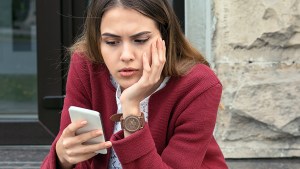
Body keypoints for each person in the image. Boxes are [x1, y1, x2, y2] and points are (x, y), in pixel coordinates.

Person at [41, 0, 228, 168]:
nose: (126, 56)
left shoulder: (199, 85)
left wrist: (131, 107)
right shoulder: (86, 65)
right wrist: (62, 158)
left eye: (140, 40)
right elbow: (71, 148)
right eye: (111, 42)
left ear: (165, 37)